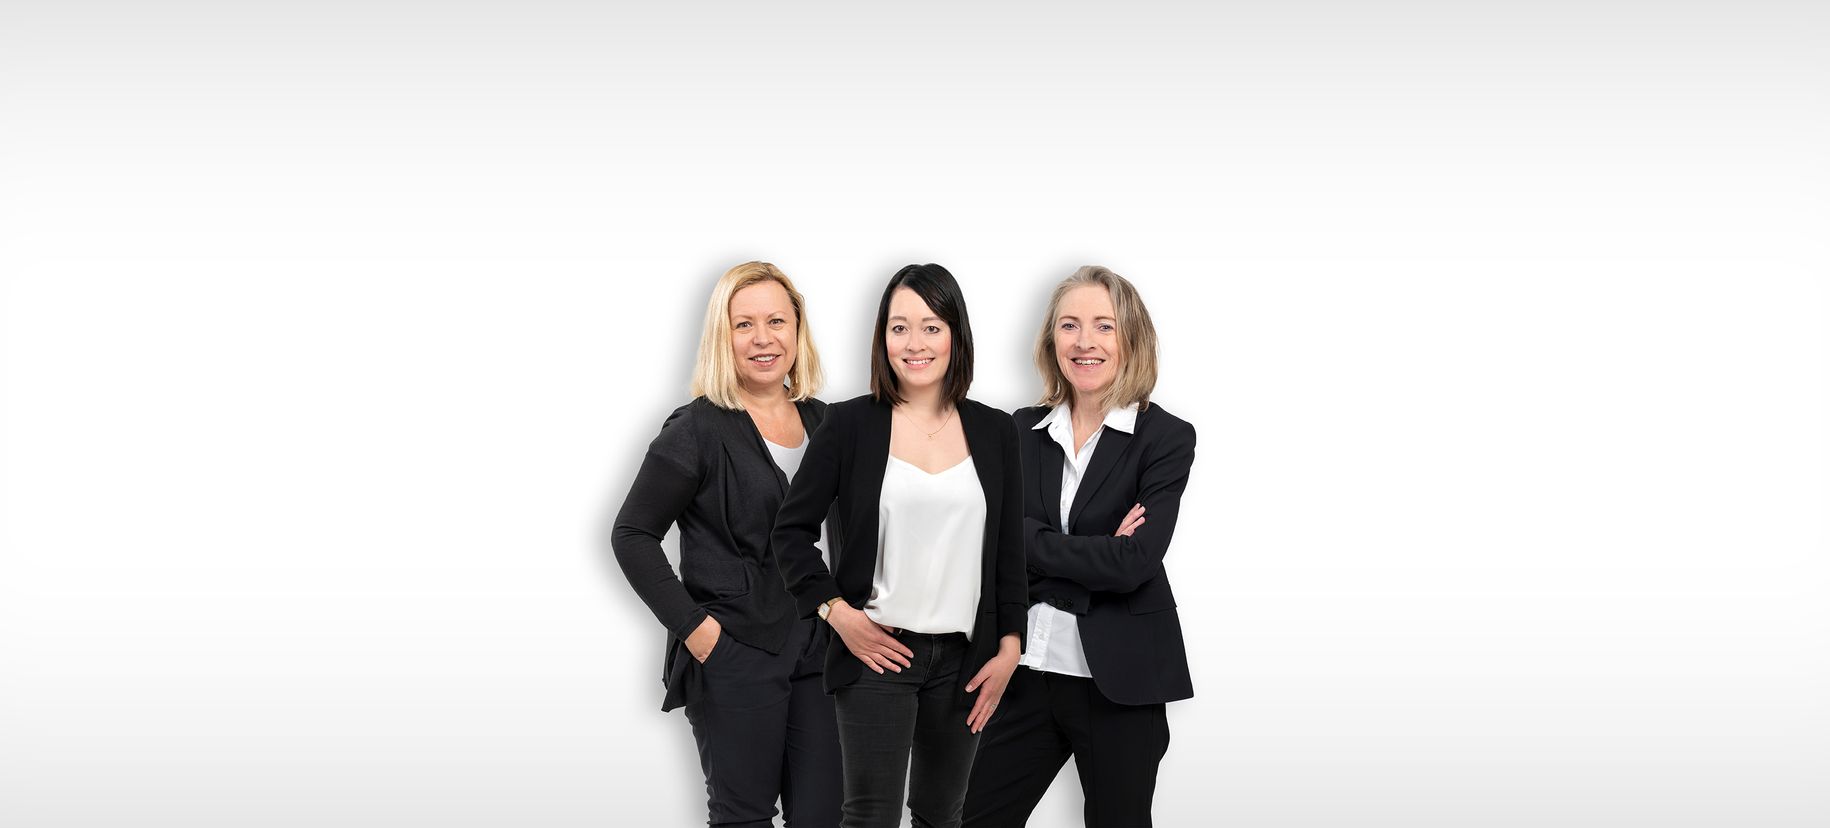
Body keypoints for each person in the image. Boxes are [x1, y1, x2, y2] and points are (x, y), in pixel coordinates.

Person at [771, 263, 1027, 828]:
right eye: (899, 327)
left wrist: (1011, 647)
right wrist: (837, 614)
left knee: (942, 815)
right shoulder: (849, 425)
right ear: (882, 337)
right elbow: (789, 533)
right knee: (871, 817)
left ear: (956, 335)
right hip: (877, 653)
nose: (915, 344)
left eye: (932, 327)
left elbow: (1009, 554)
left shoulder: (995, 431)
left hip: (966, 661)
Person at [962, 266, 1197, 828]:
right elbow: (988, 549)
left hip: (1120, 682)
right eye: (1069, 325)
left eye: (1103, 326)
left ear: (1131, 338)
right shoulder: (1020, 430)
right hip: (1024, 670)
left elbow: (1134, 563)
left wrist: (1027, 540)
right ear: (1052, 340)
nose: (1084, 341)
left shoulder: (1165, 438)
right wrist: (1094, 552)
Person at [611, 261, 842, 828]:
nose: (763, 339)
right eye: (744, 325)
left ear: (797, 330)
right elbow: (632, 534)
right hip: (736, 650)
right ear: (723, 335)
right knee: (744, 817)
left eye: (776, 322)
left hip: (821, 649)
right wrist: (699, 632)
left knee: (827, 814)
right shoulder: (696, 429)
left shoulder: (827, 423)